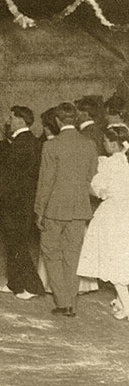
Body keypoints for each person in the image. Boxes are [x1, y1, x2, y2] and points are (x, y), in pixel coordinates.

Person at [34, 102, 98, 318]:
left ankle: (62, 301)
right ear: (75, 119)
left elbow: (45, 182)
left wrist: (39, 211)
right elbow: (92, 176)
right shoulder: (89, 145)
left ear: (58, 121)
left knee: (51, 254)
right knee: (73, 255)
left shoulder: (51, 146)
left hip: (54, 209)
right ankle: (71, 302)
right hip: (80, 209)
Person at [0, 106, 45, 300]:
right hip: (22, 201)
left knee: (17, 244)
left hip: (16, 203)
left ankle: (32, 287)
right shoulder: (29, 141)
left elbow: (9, 179)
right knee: (12, 244)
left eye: (11, 117)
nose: (8, 121)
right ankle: (14, 283)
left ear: (21, 120)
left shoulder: (22, 143)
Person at [77, 124, 129, 321]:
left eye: (106, 142)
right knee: (123, 259)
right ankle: (122, 302)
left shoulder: (108, 164)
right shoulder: (124, 162)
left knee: (112, 261)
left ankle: (127, 305)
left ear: (113, 144)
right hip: (126, 213)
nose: (104, 144)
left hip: (112, 216)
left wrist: (95, 189)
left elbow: (96, 189)